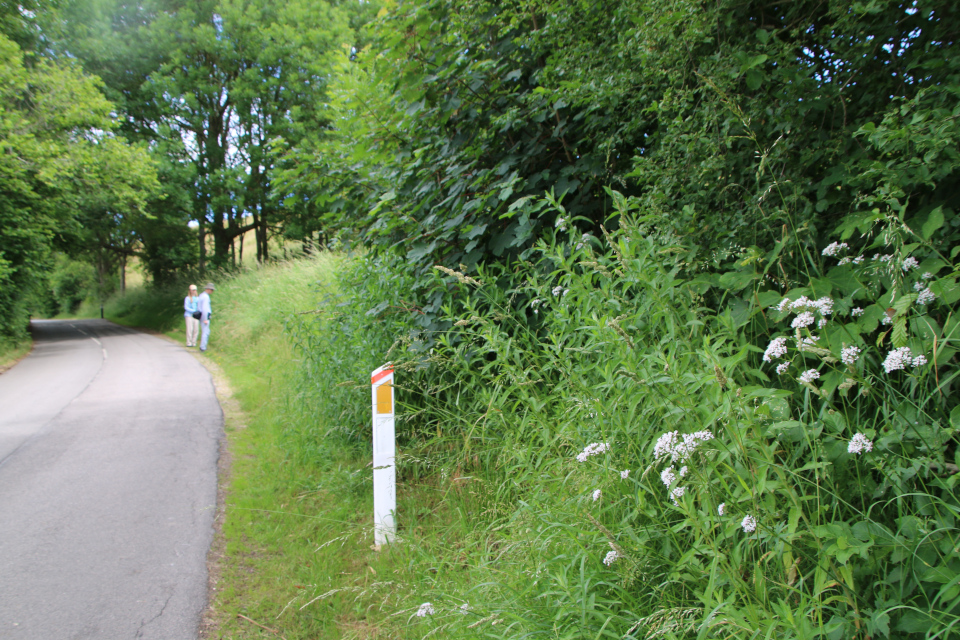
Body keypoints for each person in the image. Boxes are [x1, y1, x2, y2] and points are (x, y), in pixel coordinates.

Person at [198, 282, 215, 352]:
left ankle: (203, 346)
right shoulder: (205, 297)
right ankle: (203, 347)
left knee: (206, 331)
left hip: (201, 315)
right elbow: (205, 308)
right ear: (208, 289)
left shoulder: (201, 295)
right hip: (204, 316)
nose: (212, 291)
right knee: (206, 332)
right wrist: (205, 318)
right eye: (211, 290)